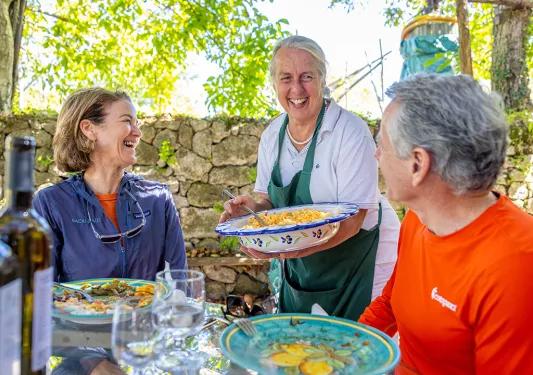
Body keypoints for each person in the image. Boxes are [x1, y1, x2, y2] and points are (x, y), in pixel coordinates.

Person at [358, 73, 533, 374]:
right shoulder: (419, 218)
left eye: (382, 144)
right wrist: (340, 353)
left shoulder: (515, 265)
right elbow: (391, 302)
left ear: (417, 164)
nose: (377, 157)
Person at [219, 35, 400, 321]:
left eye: (307, 76)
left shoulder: (349, 131)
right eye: (286, 77)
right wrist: (250, 214)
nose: (296, 88)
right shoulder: (271, 136)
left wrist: (289, 250)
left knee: (354, 355)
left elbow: (353, 221)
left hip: (361, 264)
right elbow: (268, 203)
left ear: (322, 79)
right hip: (303, 270)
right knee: (299, 352)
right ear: (274, 84)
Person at [33, 87, 187, 375]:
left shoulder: (158, 199)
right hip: (80, 360)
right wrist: (94, 361)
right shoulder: (51, 204)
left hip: (149, 353)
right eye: (127, 121)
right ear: (90, 129)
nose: (138, 132)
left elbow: (180, 288)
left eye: (137, 123)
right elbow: (40, 304)